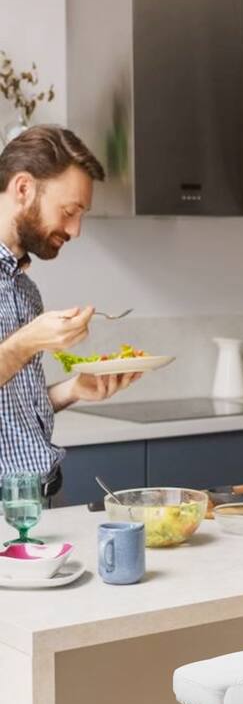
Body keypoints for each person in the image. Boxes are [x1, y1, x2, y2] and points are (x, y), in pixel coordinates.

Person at [0, 125, 141, 499]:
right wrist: (26, 343)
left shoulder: (23, 288)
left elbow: (12, 406)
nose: (76, 230)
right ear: (24, 188)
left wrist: (72, 390)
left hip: (41, 499)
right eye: (69, 211)